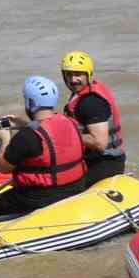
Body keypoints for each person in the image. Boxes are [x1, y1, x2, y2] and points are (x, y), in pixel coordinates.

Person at [0, 76, 86, 221]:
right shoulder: (70, 123)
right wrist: (26, 124)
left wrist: (5, 139)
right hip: (75, 187)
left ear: (30, 102)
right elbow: (49, 136)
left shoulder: (26, 137)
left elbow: (2, 167)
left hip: (39, 198)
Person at [58, 50, 125, 186]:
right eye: (68, 75)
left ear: (88, 75)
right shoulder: (81, 94)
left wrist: (64, 134)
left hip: (104, 164)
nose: (73, 80)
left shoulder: (91, 103)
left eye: (78, 75)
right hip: (94, 161)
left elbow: (99, 143)